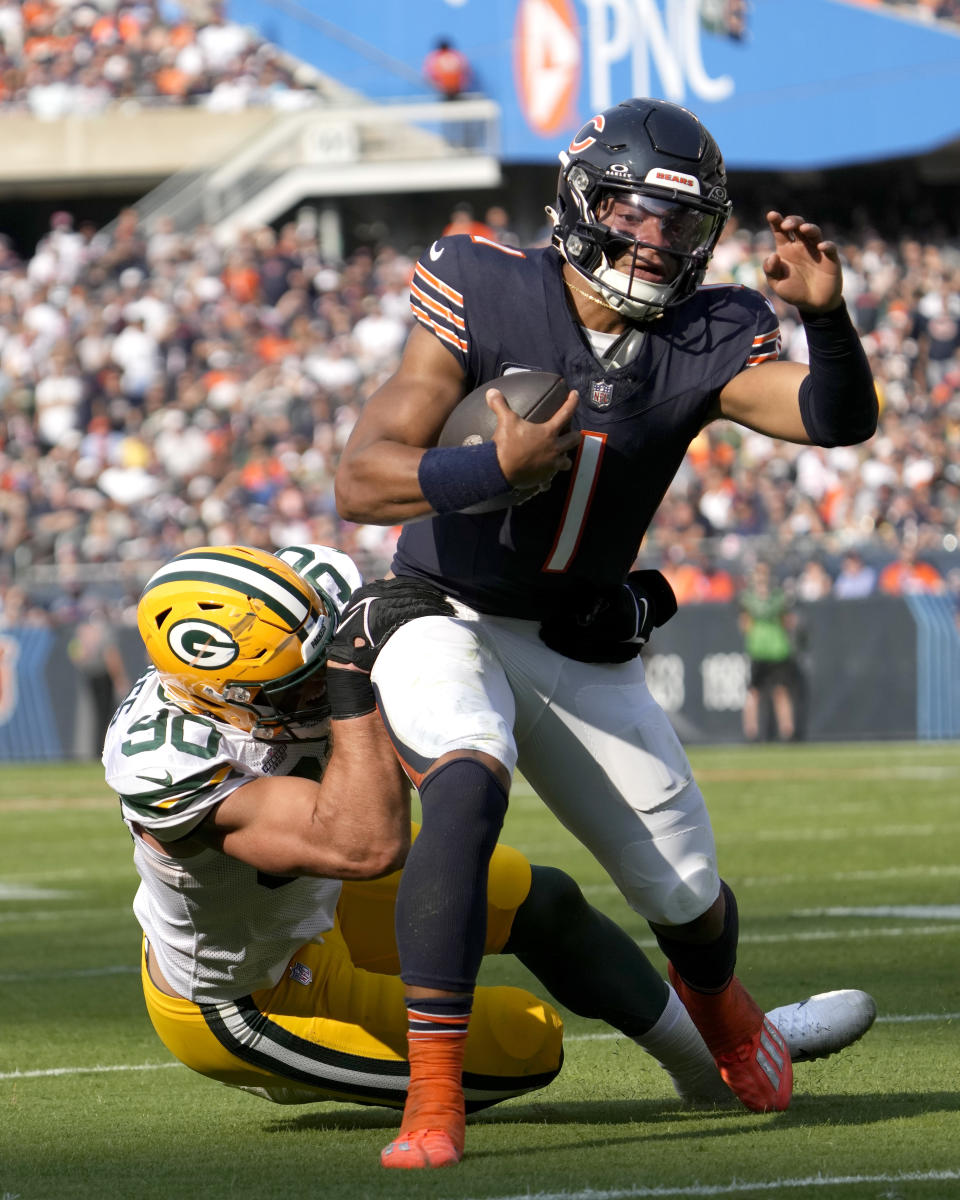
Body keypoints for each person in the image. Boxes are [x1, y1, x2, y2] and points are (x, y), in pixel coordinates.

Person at [334, 97, 878, 1167]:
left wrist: (829, 318)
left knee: (682, 889)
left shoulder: (709, 331)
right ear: (584, 204)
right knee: (467, 771)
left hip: (575, 634)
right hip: (440, 606)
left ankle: (729, 1021)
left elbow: (835, 420)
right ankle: (431, 1102)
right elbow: (362, 478)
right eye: (636, 212)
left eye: (681, 223)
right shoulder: (486, 282)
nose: (657, 240)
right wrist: (488, 471)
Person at [102, 541, 875, 1166]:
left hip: (316, 901)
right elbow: (364, 842)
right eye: (295, 685)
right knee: (528, 1042)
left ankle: (710, 1067)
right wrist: (344, 681)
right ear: (225, 694)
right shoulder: (165, 764)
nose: (313, 688)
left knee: (542, 899)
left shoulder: (307, 594)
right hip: (254, 990)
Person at [738, 562, 800, 743]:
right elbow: (745, 624)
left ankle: (787, 732)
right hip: (759, 650)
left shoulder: (778, 598)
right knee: (754, 692)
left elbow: (788, 621)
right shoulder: (748, 599)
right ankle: (752, 732)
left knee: (780, 691)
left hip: (777, 649)